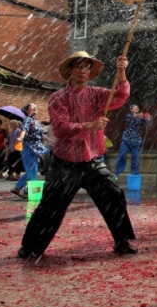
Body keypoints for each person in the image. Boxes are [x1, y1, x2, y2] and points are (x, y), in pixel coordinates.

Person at [18, 51, 137, 258]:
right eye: (79, 66)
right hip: (65, 162)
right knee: (51, 206)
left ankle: (122, 240)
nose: (83, 71)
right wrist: (90, 125)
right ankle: (31, 247)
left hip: (92, 160)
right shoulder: (58, 98)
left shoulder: (97, 94)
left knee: (113, 195)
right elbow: (61, 128)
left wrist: (122, 72)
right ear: (70, 70)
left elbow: (120, 96)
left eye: (87, 67)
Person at [11, 104, 48, 199]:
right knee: (32, 171)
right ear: (27, 111)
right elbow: (24, 130)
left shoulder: (36, 121)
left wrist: (44, 137)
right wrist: (21, 137)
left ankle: (18, 188)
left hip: (36, 149)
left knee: (31, 170)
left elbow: (39, 133)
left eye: (36, 106)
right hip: (29, 148)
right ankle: (29, 192)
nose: (35, 107)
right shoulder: (27, 119)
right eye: (32, 107)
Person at [114, 104, 151, 180]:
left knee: (135, 157)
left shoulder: (140, 118)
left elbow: (147, 120)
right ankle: (116, 173)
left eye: (137, 107)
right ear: (131, 110)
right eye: (135, 107)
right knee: (122, 155)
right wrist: (141, 115)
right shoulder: (128, 116)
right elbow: (133, 116)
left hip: (136, 141)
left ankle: (135, 175)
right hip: (126, 139)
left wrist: (147, 116)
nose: (137, 108)